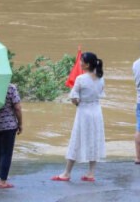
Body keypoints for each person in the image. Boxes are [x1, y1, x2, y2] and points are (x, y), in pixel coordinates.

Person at [52, 52, 106, 182]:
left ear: (87, 64)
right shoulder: (101, 78)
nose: (80, 63)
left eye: (81, 61)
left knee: (76, 140)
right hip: (96, 111)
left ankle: (67, 173)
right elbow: (100, 93)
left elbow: (74, 99)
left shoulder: (81, 79)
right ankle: (91, 173)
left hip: (84, 112)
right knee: (94, 139)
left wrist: (76, 101)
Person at [0, 83, 23, 189]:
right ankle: (2, 181)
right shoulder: (10, 88)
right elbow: (17, 108)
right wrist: (20, 123)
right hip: (8, 126)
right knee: (6, 153)